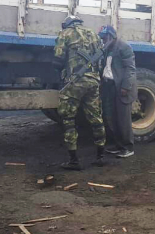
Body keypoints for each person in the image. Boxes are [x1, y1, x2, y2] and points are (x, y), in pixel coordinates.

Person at [54, 15, 106, 170]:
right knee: (96, 118)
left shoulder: (66, 34)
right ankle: (100, 156)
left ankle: (74, 161)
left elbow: (58, 59)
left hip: (75, 83)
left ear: (67, 24)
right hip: (93, 81)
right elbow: (101, 59)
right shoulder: (94, 34)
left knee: (68, 118)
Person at [98, 25, 137, 158]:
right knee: (110, 117)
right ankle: (118, 145)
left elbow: (130, 69)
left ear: (110, 36)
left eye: (104, 37)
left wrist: (125, 87)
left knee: (123, 119)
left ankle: (128, 147)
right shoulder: (107, 49)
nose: (103, 40)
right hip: (109, 87)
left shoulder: (123, 47)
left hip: (121, 88)